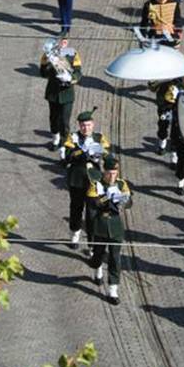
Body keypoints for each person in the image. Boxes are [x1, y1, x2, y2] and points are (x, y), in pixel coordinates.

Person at [86, 154, 132, 305]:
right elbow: (94, 203)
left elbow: (129, 202)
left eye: (114, 173)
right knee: (98, 254)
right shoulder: (96, 184)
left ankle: (113, 289)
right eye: (109, 173)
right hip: (100, 225)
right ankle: (97, 269)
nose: (112, 176)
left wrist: (123, 200)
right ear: (104, 172)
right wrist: (107, 196)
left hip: (116, 226)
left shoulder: (121, 184)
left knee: (115, 258)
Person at [62, 109, 109, 248]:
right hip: (76, 180)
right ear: (79, 125)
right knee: (76, 208)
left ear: (93, 125)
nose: (86, 128)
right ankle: (74, 233)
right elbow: (68, 157)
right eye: (83, 125)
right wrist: (83, 152)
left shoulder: (99, 138)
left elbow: (108, 155)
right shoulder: (73, 138)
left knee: (92, 213)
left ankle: (91, 243)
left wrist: (100, 153)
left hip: (93, 181)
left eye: (88, 125)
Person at [40, 35, 82, 148]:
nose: (63, 43)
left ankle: (64, 142)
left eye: (65, 41)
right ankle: (55, 139)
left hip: (67, 93)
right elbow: (43, 73)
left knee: (64, 120)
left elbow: (78, 72)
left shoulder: (73, 54)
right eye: (61, 41)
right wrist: (47, 62)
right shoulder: (49, 54)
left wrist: (71, 78)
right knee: (53, 118)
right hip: (53, 92)